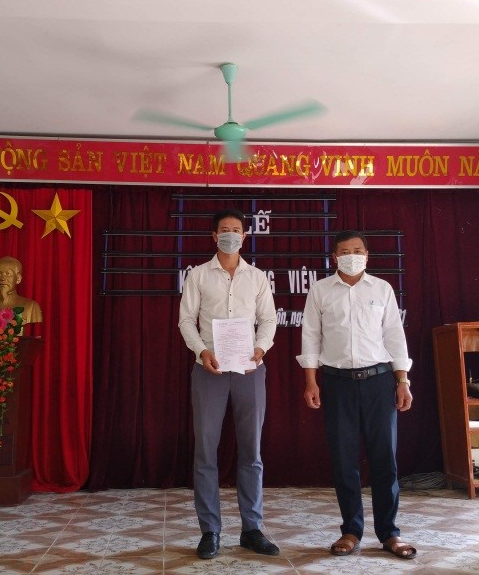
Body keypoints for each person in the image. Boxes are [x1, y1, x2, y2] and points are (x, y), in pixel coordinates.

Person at [297, 230, 417, 560]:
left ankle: (389, 532)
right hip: (337, 383)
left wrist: (402, 380)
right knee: (343, 459)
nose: (352, 256)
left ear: (367, 255)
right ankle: (351, 530)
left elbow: (395, 336)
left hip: (379, 382)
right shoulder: (320, 290)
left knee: (384, 459)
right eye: (345, 251)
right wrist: (311, 381)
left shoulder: (382, 289)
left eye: (358, 250)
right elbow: (311, 336)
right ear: (334, 257)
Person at [178, 208, 279, 560]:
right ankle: (210, 531)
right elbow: (186, 321)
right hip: (210, 370)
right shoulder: (198, 275)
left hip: (250, 370)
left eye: (236, 230)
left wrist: (260, 348)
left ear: (245, 236)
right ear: (214, 236)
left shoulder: (257, 277)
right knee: (206, 451)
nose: (231, 235)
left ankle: (252, 529)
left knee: (251, 451)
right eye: (224, 230)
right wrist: (202, 351)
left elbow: (269, 320)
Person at [0, 256, 43, 326]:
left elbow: (35, 331)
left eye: (8, 274)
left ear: (18, 278)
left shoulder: (31, 307)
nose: (3, 278)